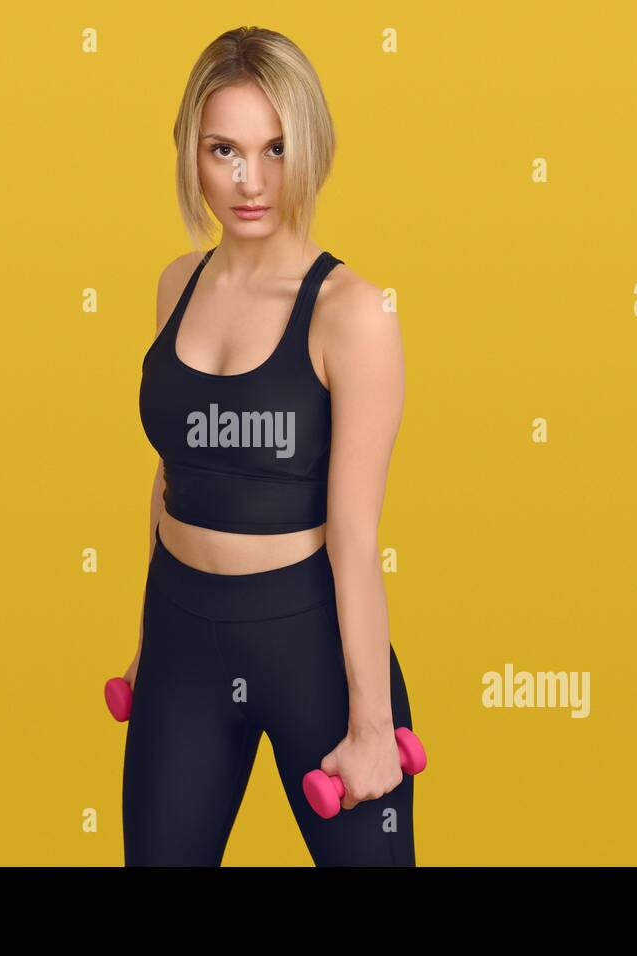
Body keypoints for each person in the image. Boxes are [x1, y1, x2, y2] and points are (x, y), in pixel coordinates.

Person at [124, 26, 415, 866]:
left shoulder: (352, 313)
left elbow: (356, 539)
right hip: (180, 635)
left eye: (276, 148)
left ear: (312, 147)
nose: (251, 182)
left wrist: (370, 727)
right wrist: (147, 648)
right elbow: (172, 476)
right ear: (193, 151)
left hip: (307, 643)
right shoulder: (177, 284)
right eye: (226, 150)